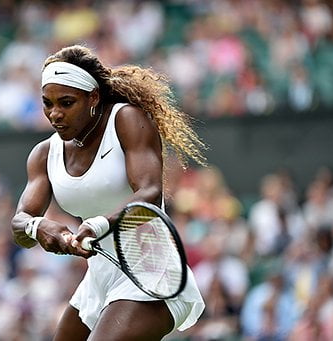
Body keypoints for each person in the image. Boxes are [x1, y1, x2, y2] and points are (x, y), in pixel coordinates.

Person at [11, 44, 206, 340]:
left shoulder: (126, 120)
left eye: (66, 103)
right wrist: (38, 227)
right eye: (47, 103)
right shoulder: (43, 154)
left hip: (153, 271)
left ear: (93, 97)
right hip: (100, 277)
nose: (55, 114)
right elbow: (20, 224)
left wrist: (97, 225)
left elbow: (150, 193)